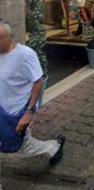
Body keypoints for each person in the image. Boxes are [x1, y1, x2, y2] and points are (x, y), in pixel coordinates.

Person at [0, 22, 65, 184]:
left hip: (16, 112)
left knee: (21, 148)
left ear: (9, 38)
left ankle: (53, 148)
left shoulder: (25, 54)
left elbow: (38, 81)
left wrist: (29, 112)